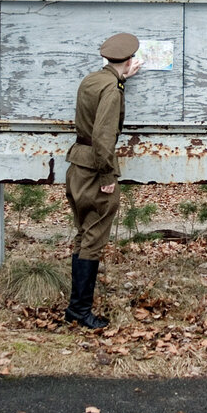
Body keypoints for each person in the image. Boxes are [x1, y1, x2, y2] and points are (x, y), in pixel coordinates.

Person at [63, 32, 142, 328]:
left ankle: (76, 308)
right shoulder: (112, 89)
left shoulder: (94, 80)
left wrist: (121, 79)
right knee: (94, 238)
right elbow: (104, 135)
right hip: (96, 171)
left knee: (84, 235)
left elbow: (97, 108)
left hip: (77, 166)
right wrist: (108, 175)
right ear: (130, 60)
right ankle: (80, 312)